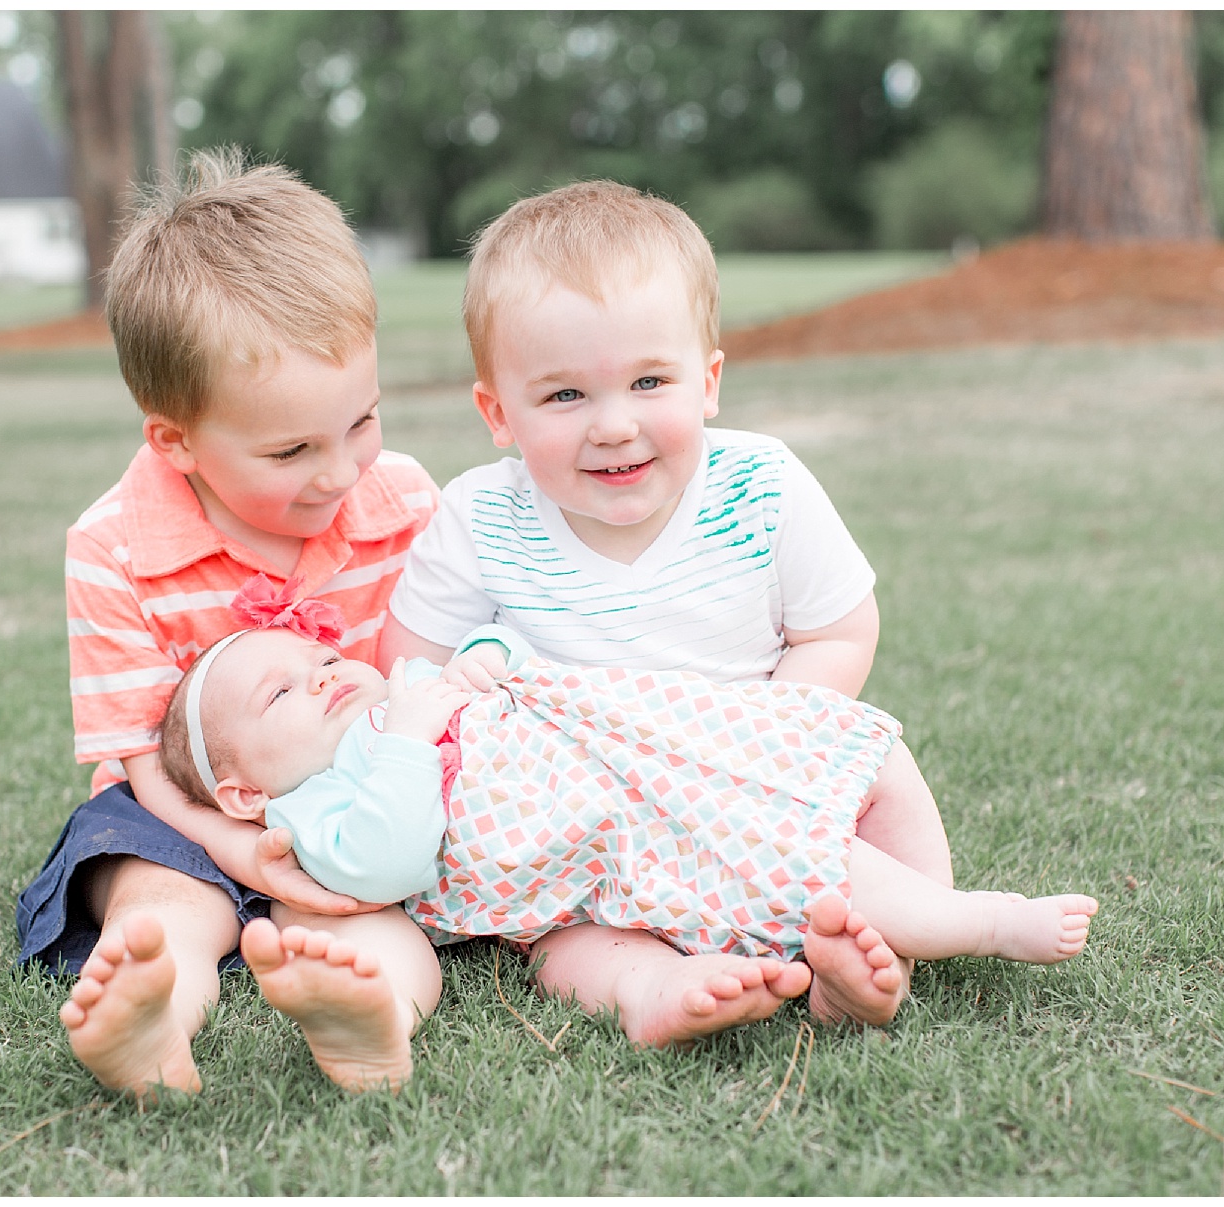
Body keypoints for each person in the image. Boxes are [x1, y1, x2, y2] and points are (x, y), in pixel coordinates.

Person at [378, 179, 957, 1033]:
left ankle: (884, 941)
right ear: (498, 412)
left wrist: (767, 737)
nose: (614, 424)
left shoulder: (763, 486)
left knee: (882, 769)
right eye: (565, 395)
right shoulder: (480, 517)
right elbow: (410, 669)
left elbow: (837, 629)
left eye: (650, 380)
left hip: (753, 761)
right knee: (563, 931)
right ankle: (653, 991)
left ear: (709, 379)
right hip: (585, 812)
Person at [15, 148, 451, 1097]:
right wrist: (249, 853)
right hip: (184, 809)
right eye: (292, 448)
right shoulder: (115, 547)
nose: (341, 473)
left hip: (361, 794)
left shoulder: (405, 500)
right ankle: (156, 1014)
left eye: (363, 421)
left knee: (374, 920)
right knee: (164, 895)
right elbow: (139, 760)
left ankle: (372, 1016)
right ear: (175, 438)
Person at [158, 612, 1098, 1008]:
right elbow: (393, 861)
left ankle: (895, 925)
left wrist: (482, 654)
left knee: (806, 778)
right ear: (245, 790)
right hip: (606, 842)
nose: (321, 678)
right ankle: (983, 920)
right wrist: (406, 735)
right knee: (779, 855)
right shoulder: (319, 811)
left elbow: (494, 655)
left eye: (317, 658)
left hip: (630, 758)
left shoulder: (399, 689)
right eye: (281, 695)